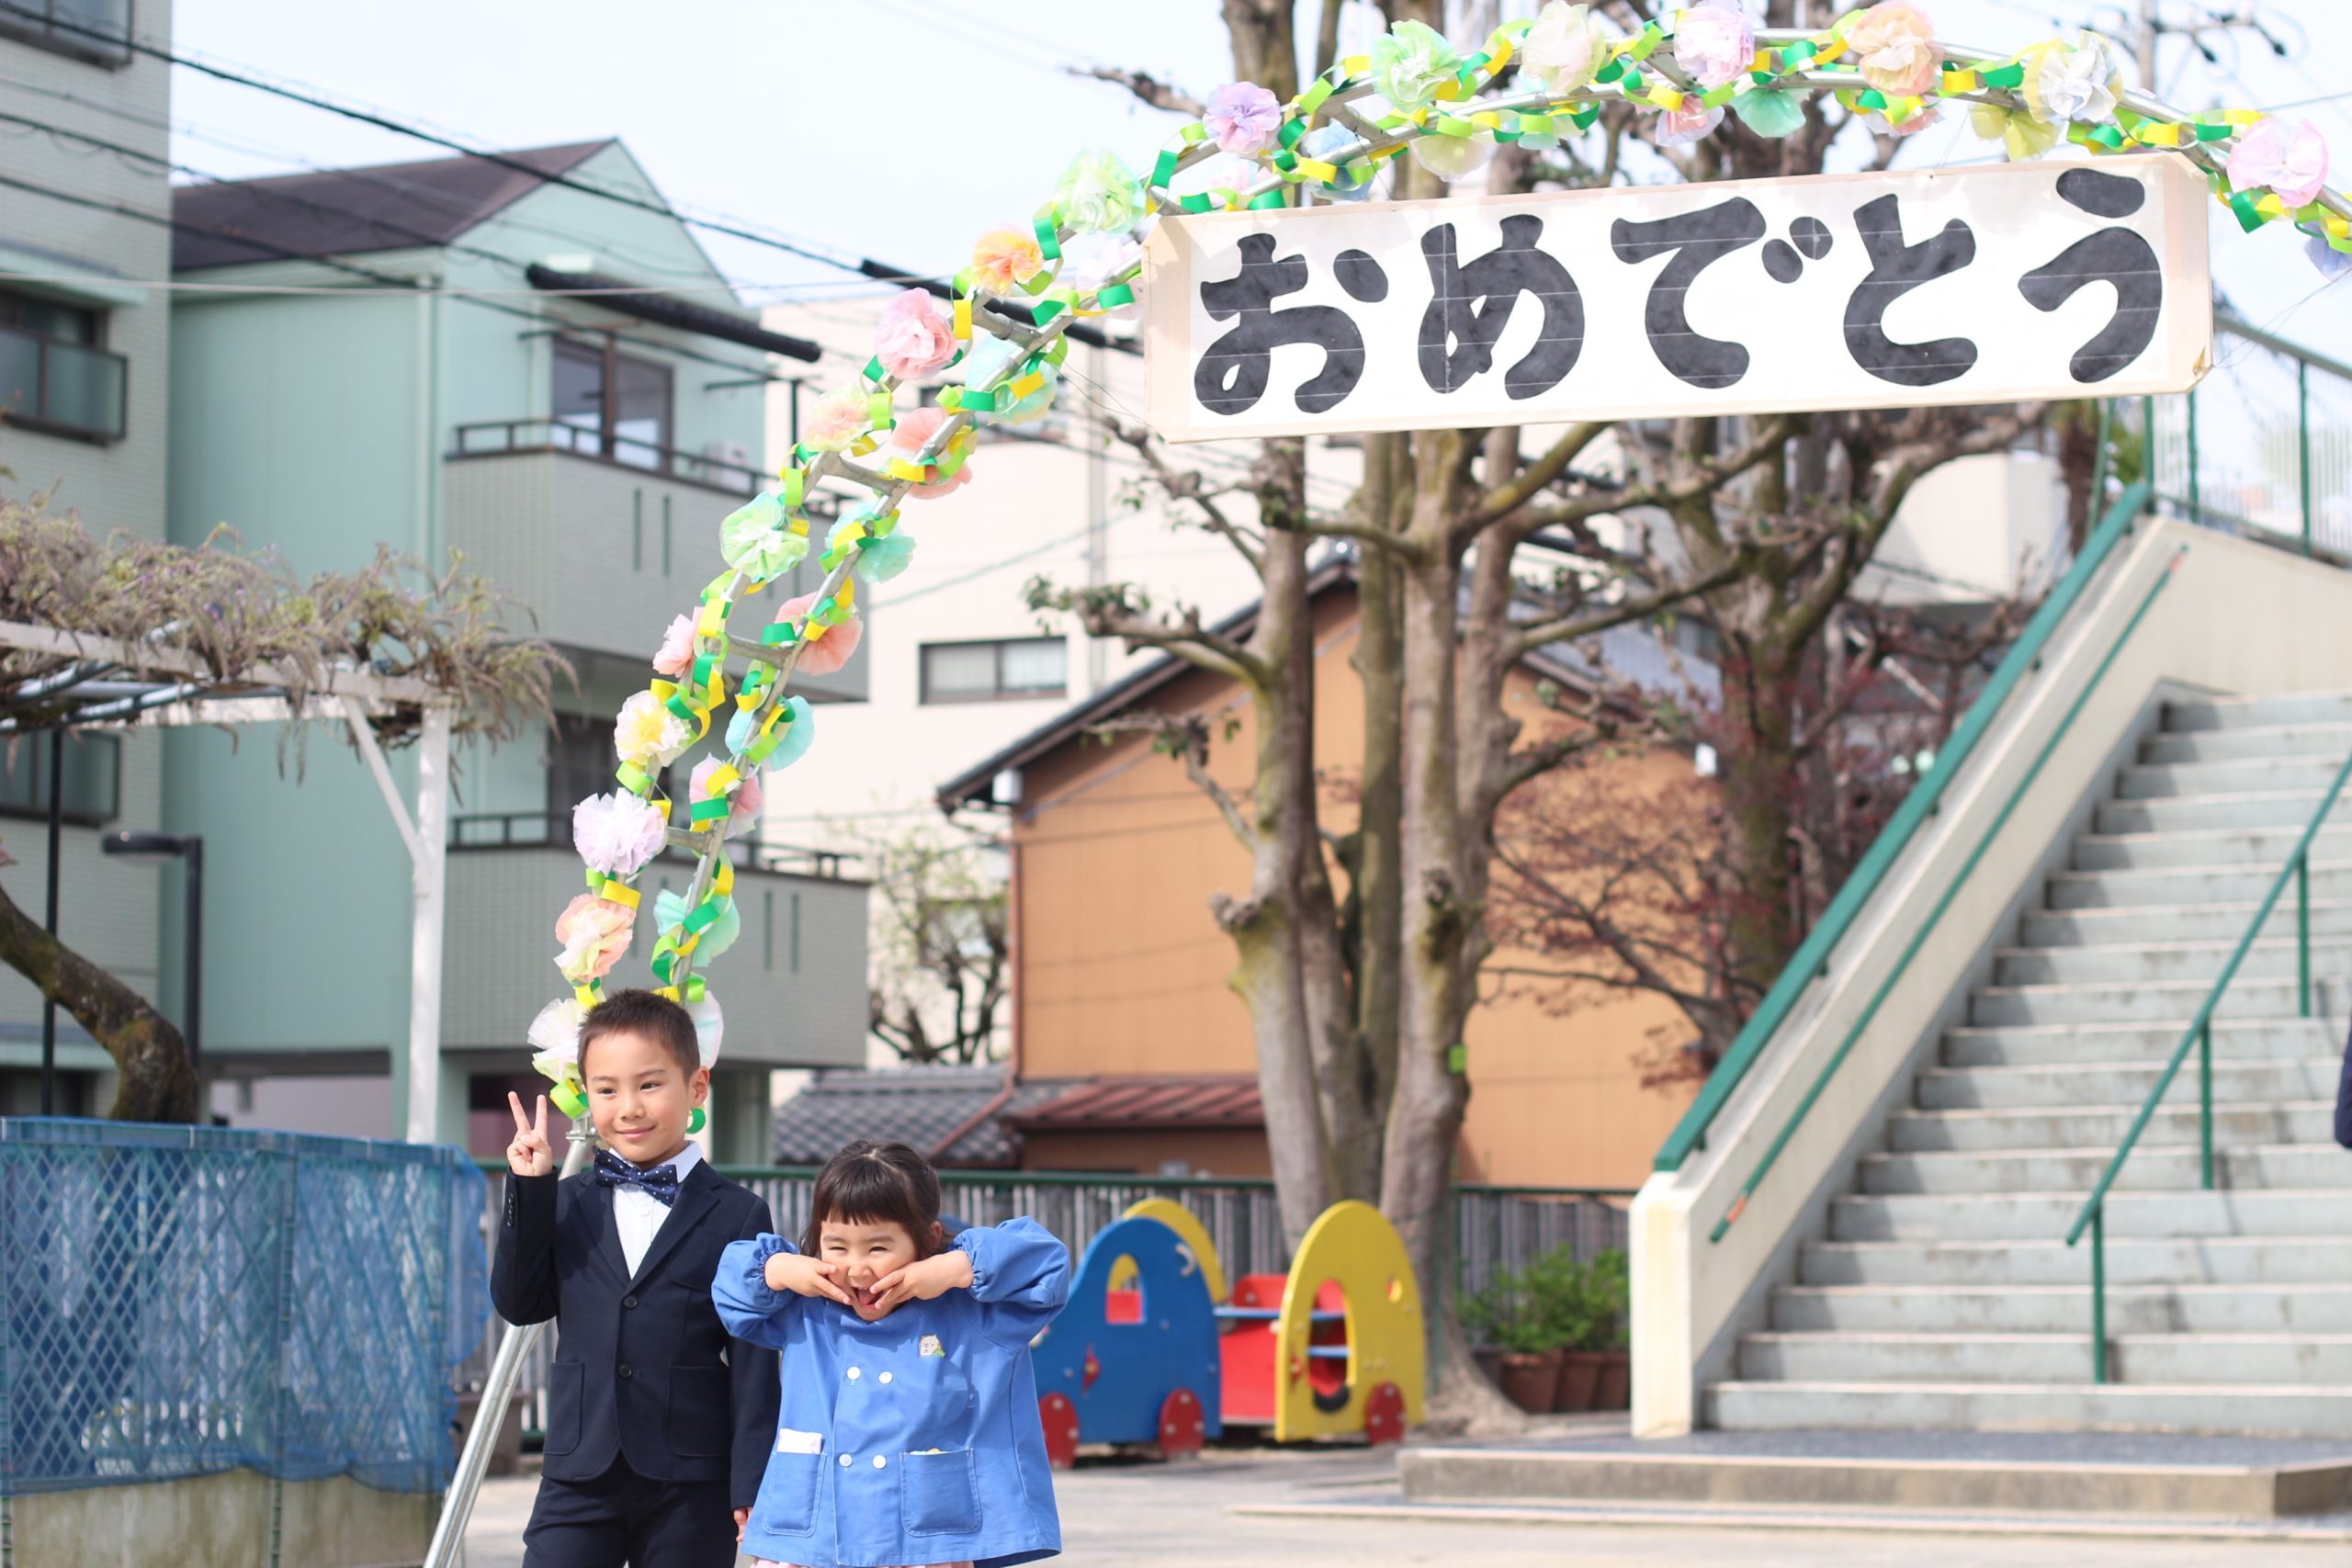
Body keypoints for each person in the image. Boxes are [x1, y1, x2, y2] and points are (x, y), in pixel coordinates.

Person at [492, 987, 780, 1567]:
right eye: (606, 1089)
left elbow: (753, 1361)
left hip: (692, 1481)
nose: (629, 1107)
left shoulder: (739, 1212)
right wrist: (529, 1187)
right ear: (585, 1095)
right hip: (579, 1469)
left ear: (696, 1086)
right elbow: (522, 1304)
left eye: (650, 1084)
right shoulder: (564, 1200)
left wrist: (752, 1482)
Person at [714, 1139, 1070, 1568]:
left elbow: (1048, 1264)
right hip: (816, 1534)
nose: (857, 1268)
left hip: (927, 1539)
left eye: (878, 1248)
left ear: (928, 1238)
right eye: (837, 1246)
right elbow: (730, 1292)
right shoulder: (805, 1306)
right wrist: (775, 1268)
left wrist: (957, 1267)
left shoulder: (971, 1308)